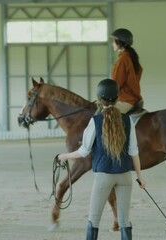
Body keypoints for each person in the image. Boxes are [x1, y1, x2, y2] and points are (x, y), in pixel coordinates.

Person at [57, 79, 146, 240]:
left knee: (94, 219)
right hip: (125, 176)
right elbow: (134, 151)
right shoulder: (127, 120)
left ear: (99, 99)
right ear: (118, 98)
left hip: (104, 177)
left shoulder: (95, 121)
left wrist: (65, 156)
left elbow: (84, 151)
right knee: (125, 220)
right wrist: (140, 178)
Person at [110, 28, 144, 114]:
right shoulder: (130, 57)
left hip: (125, 99)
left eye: (113, 41)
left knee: (105, 117)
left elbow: (117, 83)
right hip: (132, 98)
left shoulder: (123, 59)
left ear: (119, 42)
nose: (112, 44)